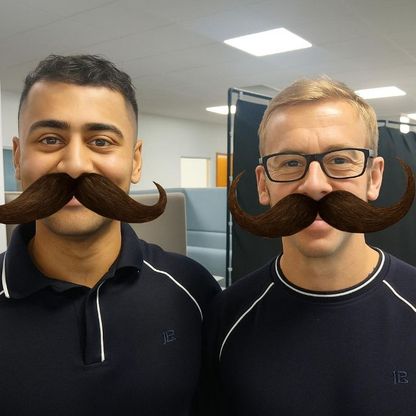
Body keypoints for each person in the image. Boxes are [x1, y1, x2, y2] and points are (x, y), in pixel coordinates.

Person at [0, 54, 220, 415]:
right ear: (18, 158)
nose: (74, 165)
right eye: (50, 139)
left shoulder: (193, 290)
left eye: (101, 142)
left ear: (135, 161)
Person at [199, 78, 416, 415]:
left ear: (373, 178)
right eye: (289, 163)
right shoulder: (226, 316)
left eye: (340, 160)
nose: (314, 185)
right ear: (263, 185)